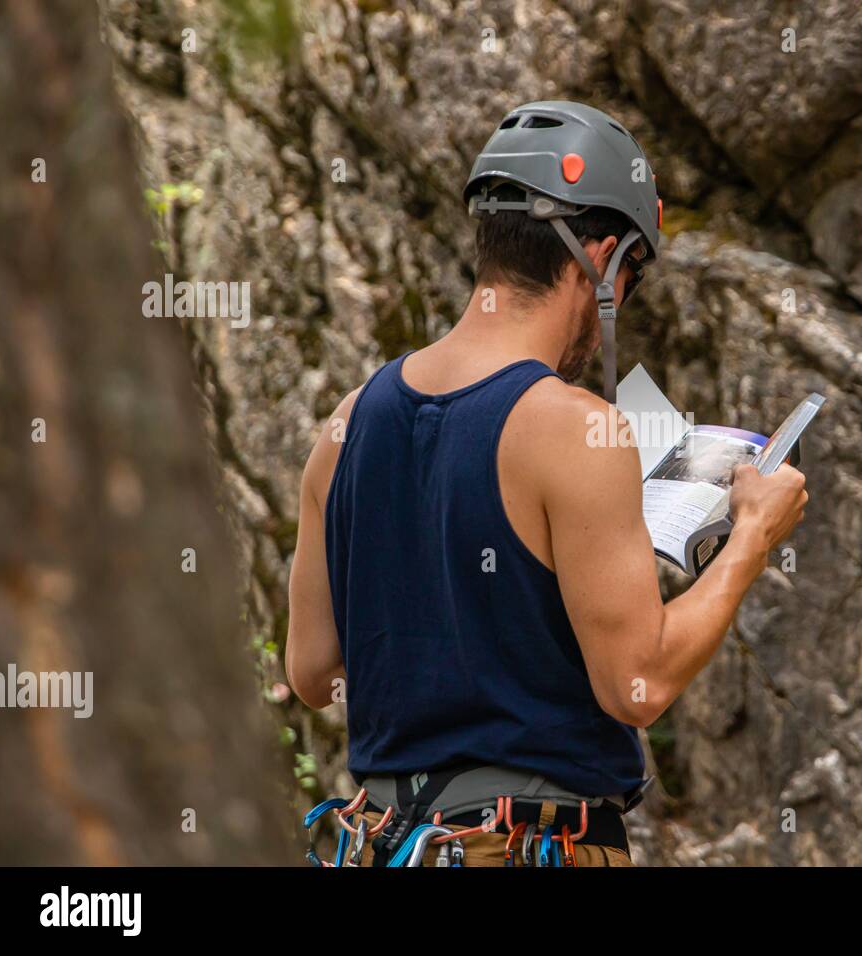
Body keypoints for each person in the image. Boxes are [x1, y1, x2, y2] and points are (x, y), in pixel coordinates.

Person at [285, 100, 808, 866]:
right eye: (630, 272)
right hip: (531, 845)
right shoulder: (572, 428)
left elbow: (310, 672)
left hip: (384, 844)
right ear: (597, 258)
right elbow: (639, 684)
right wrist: (753, 536)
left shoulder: (346, 423)